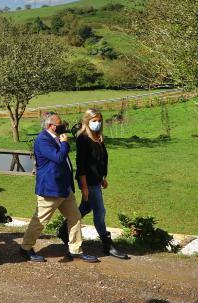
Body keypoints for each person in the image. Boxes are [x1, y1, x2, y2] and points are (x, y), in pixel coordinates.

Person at [20, 112, 98, 263]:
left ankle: (75, 249)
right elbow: (58, 157)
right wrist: (64, 143)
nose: (62, 126)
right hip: (50, 189)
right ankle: (25, 248)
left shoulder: (55, 137)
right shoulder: (43, 140)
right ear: (51, 126)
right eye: (59, 124)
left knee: (75, 217)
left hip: (64, 188)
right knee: (40, 220)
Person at [61, 109, 129, 259]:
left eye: (99, 120)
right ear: (86, 121)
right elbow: (82, 164)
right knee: (100, 212)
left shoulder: (98, 137)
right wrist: (84, 187)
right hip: (87, 181)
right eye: (94, 120)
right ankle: (107, 245)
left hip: (96, 180)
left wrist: (102, 178)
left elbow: (100, 160)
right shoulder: (83, 138)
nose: (97, 123)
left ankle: (63, 231)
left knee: (85, 207)